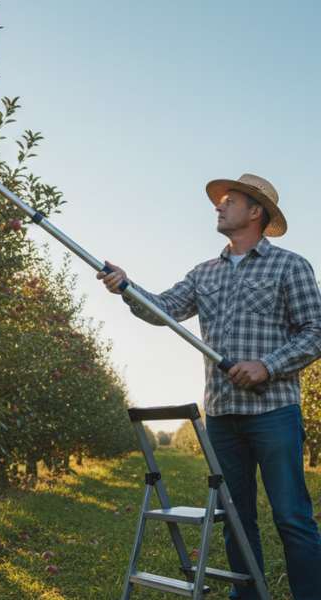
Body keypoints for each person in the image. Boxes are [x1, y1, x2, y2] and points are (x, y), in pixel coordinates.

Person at [97, 174, 321, 599]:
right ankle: (248, 595)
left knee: (292, 516)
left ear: (255, 211)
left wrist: (267, 366)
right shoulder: (205, 273)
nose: (218, 206)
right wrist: (127, 287)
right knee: (235, 518)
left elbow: (316, 331)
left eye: (228, 201)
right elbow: (161, 309)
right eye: (219, 202)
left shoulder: (289, 265)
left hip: (273, 411)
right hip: (221, 415)